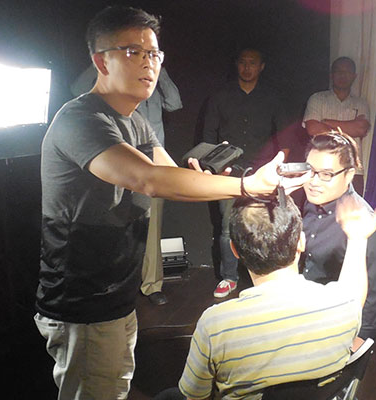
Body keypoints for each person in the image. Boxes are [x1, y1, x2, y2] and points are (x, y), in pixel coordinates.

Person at [35, 7, 305, 399]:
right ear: (101, 61)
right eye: (134, 52)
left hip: (117, 294)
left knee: (114, 386)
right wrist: (247, 185)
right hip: (82, 301)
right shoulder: (80, 120)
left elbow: (169, 173)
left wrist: (213, 179)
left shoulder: (136, 121)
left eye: (154, 54)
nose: (149, 63)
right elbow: (148, 179)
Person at [176, 194, 376, 400]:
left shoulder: (215, 326)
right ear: (301, 241)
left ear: (234, 250)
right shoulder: (343, 305)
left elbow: (195, 396)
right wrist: (357, 239)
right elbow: (355, 291)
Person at [71, 63, 183, 306]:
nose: (143, 58)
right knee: (114, 228)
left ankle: (152, 285)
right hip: (118, 168)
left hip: (154, 168)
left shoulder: (154, 80)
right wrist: (103, 63)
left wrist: (160, 70)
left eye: (150, 52)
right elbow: (77, 89)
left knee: (151, 231)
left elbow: (174, 103)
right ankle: (114, 286)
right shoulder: (113, 81)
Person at [202, 48, 291, 298]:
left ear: (261, 66)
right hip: (228, 171)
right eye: (243, 62)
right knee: (227, 226)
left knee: (263, 224)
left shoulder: (272, 97)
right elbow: (208, 136)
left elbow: (285, 137)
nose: (247, 67)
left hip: (261, 170)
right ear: (236, 64)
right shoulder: (220, 96)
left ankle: (263, 276)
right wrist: (213, 170)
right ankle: (229, 277)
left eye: (252, 63)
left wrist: (278, 166)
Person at [301, 132, 376, 350]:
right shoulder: (310, 202)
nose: (313, 181)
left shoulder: (361, 222)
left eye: (326, 174)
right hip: (305, 318)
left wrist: (356, 344)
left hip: (336, 331)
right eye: (309, 171)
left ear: (349, 174)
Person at [302, 57, 371, 194]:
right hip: (320, 170)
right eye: (338, 71)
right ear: (331, 75)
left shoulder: (361, 103)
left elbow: (360, 129)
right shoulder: (317, 99)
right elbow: (313, 128)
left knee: (351, 207)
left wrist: (327, 122)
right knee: (320, 206)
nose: (342, 75)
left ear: (354, 76)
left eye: (347, 72)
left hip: (352, 169)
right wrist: (350, 127)